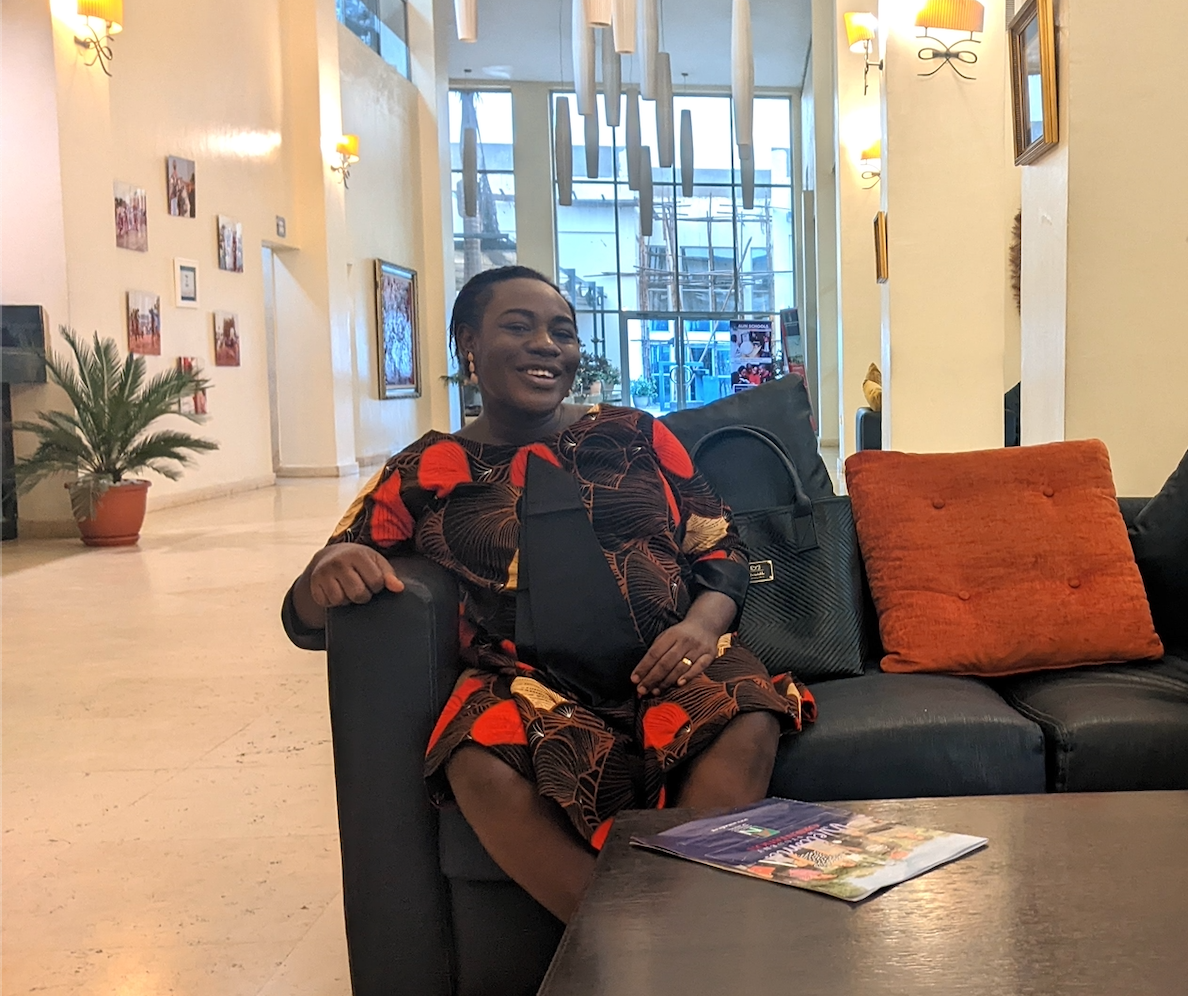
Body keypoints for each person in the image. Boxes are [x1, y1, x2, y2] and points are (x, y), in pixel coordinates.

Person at [282, 265, 813, 921]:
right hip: (530, 683)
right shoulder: (424, 470)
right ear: (467, 345)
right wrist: (332, 565)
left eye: (562, 333)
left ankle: (692, 932)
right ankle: (621, 945)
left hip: (674, 662)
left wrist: (703, 625)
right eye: (519, 326)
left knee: (746, 715)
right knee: (476, 757)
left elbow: (721, 545)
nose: (546, 345)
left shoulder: (634, 434)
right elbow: (305, 616)